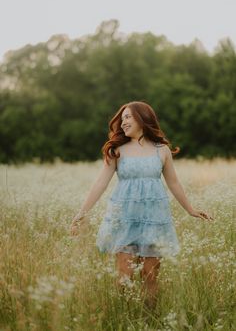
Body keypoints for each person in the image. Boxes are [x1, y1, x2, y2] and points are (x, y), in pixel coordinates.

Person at [70, 101, 213, 309]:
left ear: (142, 118)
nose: (123, 122)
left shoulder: (161, 150)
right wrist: (81, 213)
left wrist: (190, 209)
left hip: (154, 219)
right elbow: (100, 183)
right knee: (124, 277)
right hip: (124, 219)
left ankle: (148, 319)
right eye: (122, 118)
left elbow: (173, 182)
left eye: (128, 117)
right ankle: (125, 317)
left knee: (150, 276)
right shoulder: (117, 150)